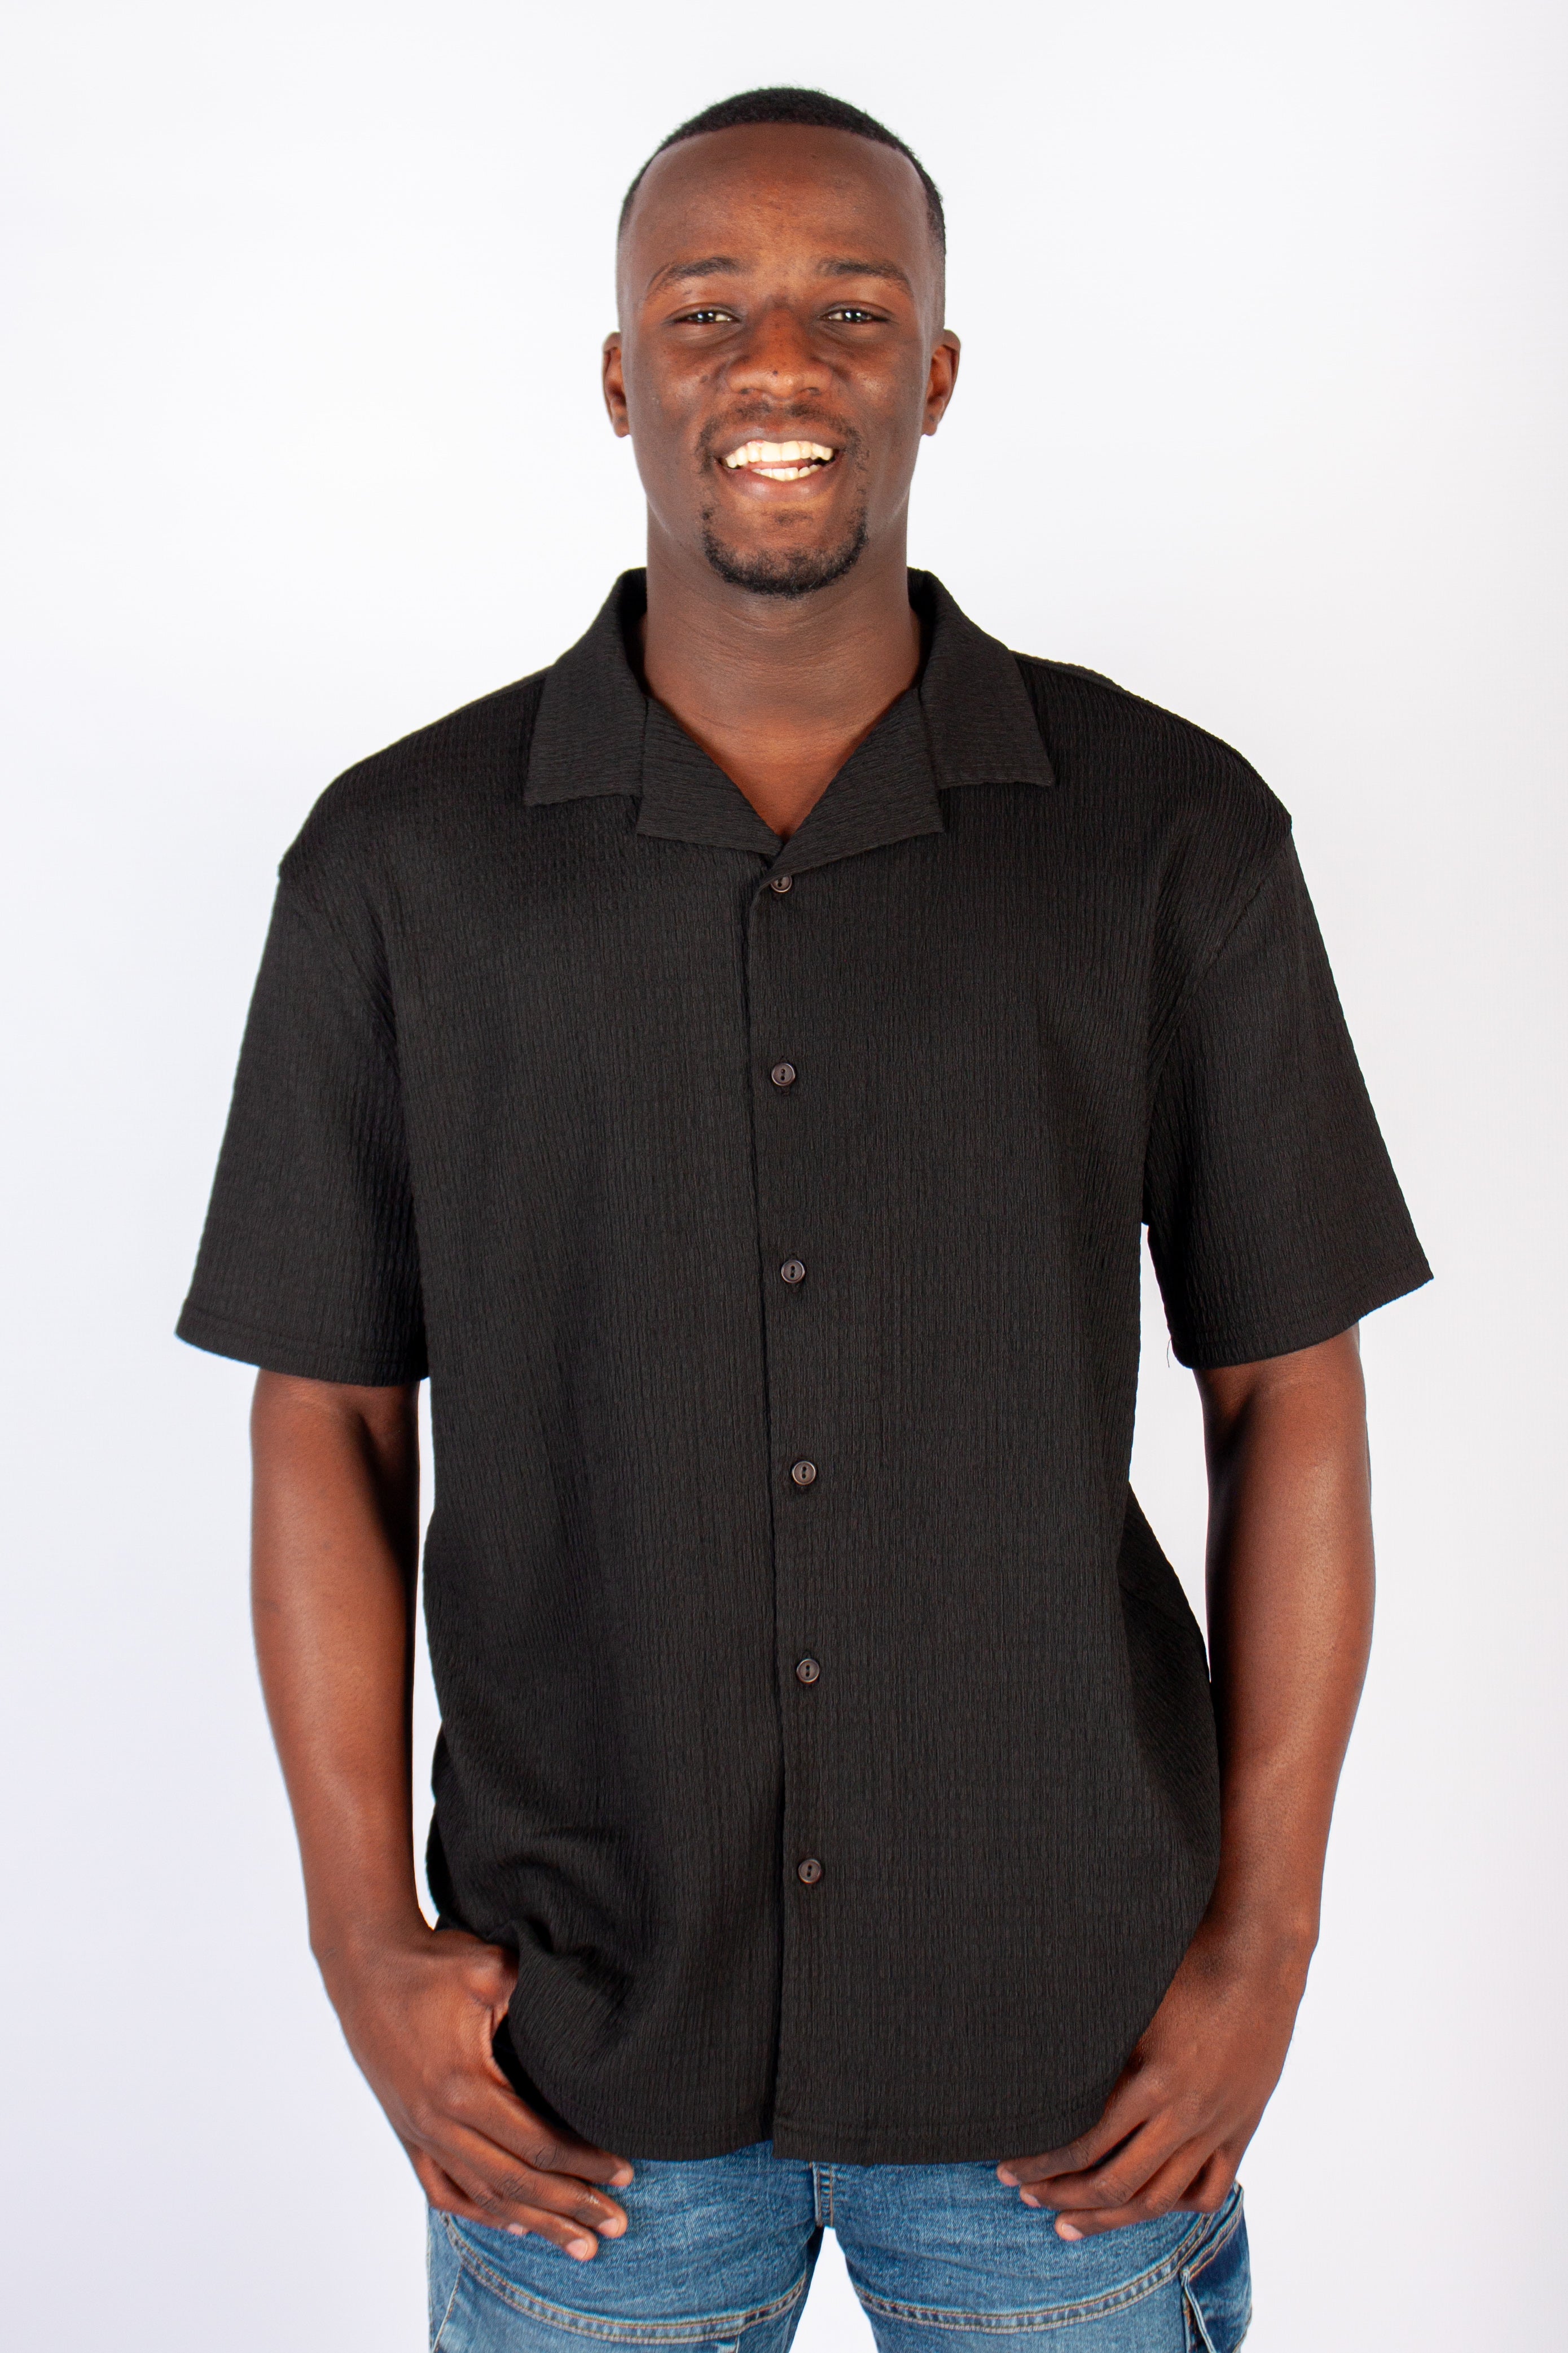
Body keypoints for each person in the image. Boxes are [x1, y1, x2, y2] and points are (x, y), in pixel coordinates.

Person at [178, 86, 1430, 2353]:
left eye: (850, 311)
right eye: (705, 311)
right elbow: (326, 1418)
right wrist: (360, 1935)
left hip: (1070, 2061)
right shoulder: (401, 862)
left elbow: (1289, 1393)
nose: (778, 364)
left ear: (932, 370)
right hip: (582, 2067)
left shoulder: (1166, 837)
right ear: (618, 376)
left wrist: (1263, 1939)